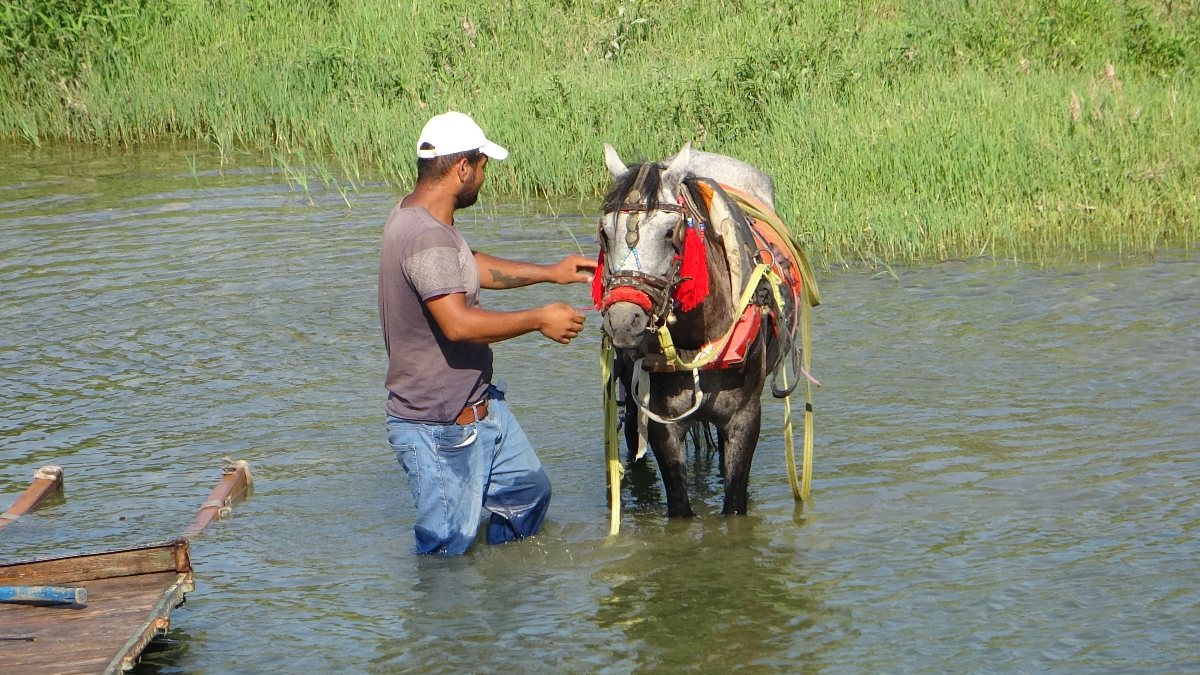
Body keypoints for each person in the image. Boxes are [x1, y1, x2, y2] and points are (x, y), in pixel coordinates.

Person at [378, 111, 596, 555]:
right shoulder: (425, 237)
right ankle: (457, 599)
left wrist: (551, 273)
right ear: (462, 168)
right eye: (482, 166)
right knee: (447, 553)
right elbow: (457, 324)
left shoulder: (417, 215)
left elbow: (466, 265)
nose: (483, 177)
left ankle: (498, 588)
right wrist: (539, 319)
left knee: (527, 494)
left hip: (480, 409)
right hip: (440, 429)